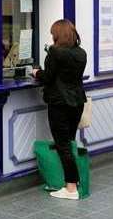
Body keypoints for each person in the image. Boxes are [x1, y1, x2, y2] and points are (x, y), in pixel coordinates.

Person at [31, 19, 87, 200]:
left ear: (58, 35)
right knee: (69, 142)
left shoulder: (55, 53)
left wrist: (36, 73)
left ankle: (71, 188)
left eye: (53, 34)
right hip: (77, 102)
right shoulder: (81, 53)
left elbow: (48, 77)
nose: (51, 37)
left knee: (63, 145)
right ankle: (72, 182)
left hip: (59, 104)